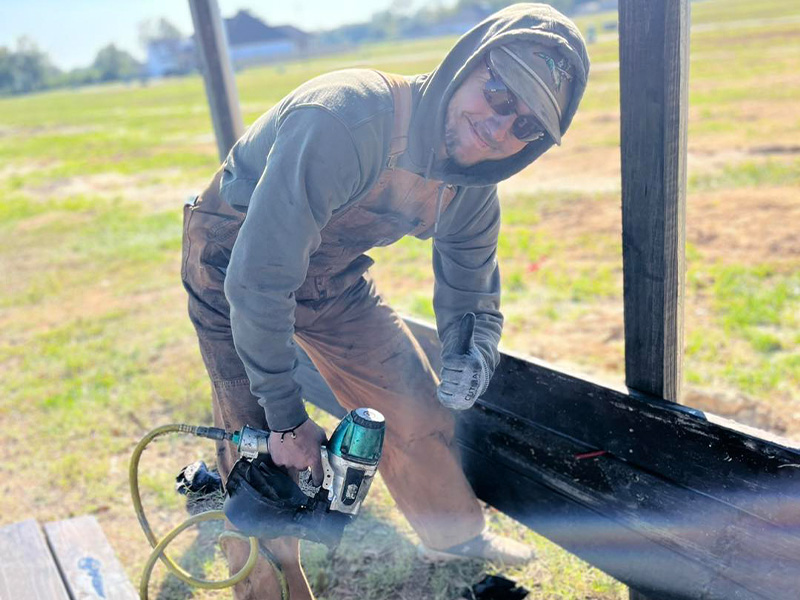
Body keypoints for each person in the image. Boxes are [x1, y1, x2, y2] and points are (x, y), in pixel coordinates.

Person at [181, 3, 589, 598]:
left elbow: (472, 293)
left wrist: (469, 352)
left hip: (330, 275)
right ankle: (267, 588)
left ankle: (453, 537)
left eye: (526, 126)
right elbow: (259, 281)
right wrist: (286, 418)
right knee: (264, 471)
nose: (501, 128)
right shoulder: (345, 120)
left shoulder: (473, 191)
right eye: (500, 93)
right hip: (232, 265)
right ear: (467, 65)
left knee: (417, 412)